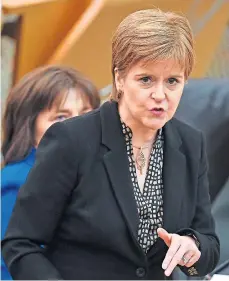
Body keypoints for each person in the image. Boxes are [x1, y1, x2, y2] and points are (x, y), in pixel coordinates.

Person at [2, 9, 219, 280]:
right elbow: (21, 244)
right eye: (146, 79)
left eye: (173, 81)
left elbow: (209, 243)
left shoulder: (190, 143)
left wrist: (193, 246)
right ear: (119, 78)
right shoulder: (72, 139)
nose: (160, 95)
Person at [1, 65, 100, 280]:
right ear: (29, 125)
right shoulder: (15, 182)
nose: (77, 125)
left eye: (86, 114)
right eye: (61, 117)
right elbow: (7, 266)